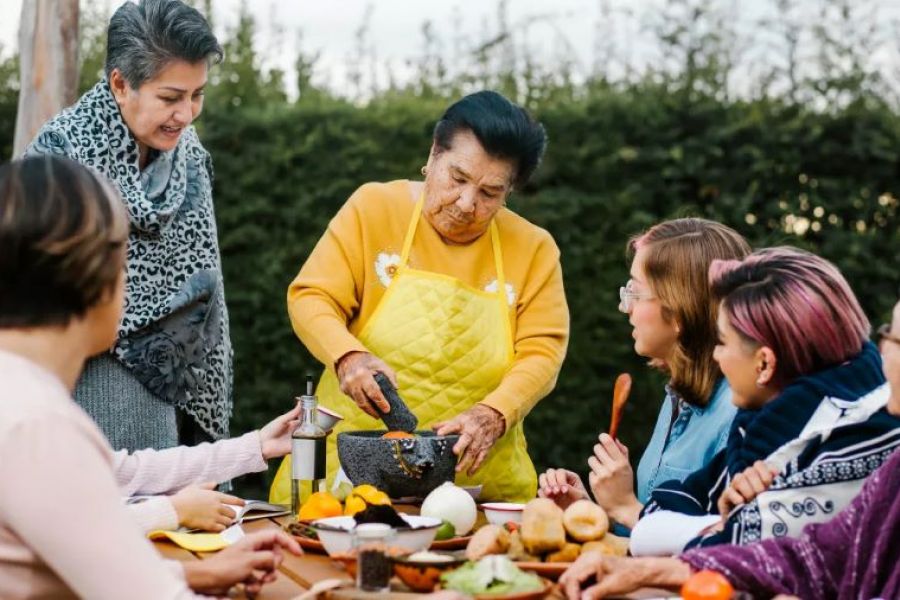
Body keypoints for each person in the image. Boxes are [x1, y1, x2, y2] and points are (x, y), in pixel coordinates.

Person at [0, 155, 301, 599]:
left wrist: (254, 447)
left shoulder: (20, 395)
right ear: (91, 276)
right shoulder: (38, 425)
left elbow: (122, 475)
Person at [270, 90, 569, 503]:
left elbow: (543, 351)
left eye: (490, 193)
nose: (467, 203)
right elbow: (311, 297)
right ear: (433, 155)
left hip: (473, 492)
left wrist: (494, 414)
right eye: (458, 178)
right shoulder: (374, 208)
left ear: (510, 191)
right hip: (349, 483)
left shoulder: (533, 248)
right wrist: (347, 356)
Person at [558, 294, 900, 600]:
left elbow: (758, 540)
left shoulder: (853, 441)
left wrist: (626, 511)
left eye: (894, 339)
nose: (881, 352)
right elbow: (813, 557)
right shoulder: (889, 466)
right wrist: (647, 565)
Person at [25, 0, 231, 451]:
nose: (187, 114)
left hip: (178, 402)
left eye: (197, 94)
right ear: (121, 84)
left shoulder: (190, 157)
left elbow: (206, 287)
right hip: (84, 397)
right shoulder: (60, 157)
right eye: (171, 97)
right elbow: (35, 301)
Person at [538, 219, 748, 529]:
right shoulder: (678, 398)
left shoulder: (738, 415)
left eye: (635, 293)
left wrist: (624, 506)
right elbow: (646, 532)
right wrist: (595, 512)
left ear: (679, 309)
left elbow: (729, 547)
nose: (625, 308)